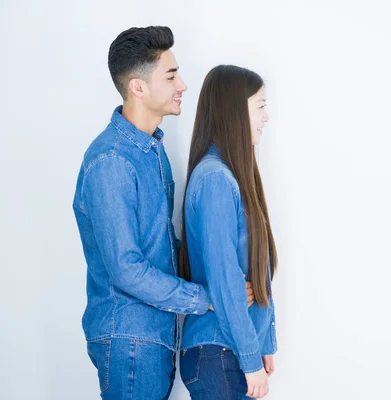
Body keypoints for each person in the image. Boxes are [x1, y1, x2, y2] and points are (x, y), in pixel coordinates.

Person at [72, 28, 253, 399]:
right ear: (137, 87)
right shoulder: (111, 161)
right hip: (130, 338)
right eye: (171, 76)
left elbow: (160, 245)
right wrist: (208, 297)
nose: (182, 85)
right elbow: (127, 268)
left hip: (154, 336)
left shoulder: (151, 153)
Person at [178, 65, 278, 399]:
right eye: (260, 106)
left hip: (228, 351)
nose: (266, 118)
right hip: (218, 351)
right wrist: (250, 359)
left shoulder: (233, 177)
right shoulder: (216, 181)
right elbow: (225, 278)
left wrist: (263, 342)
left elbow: (256, 268)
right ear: (235, 111)